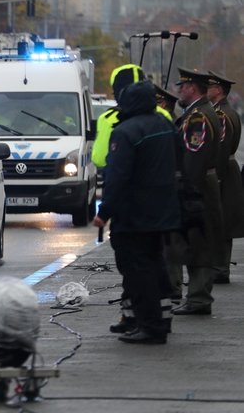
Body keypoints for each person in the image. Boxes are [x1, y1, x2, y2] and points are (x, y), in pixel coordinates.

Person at [93, 79, 180, 344]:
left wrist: (104, 212)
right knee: (156, 265)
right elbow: (181, 158)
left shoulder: (126, 132)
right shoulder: (165, 125)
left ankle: (149, 326)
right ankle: (162, 320)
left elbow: (117, 177)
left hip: (134, 215)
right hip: (163, 211)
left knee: (137, 271)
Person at [169, 67, 224, 316]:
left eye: (182, 86)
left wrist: (184, 187)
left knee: (199, 241)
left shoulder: (198, 117)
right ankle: (197, 296)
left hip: (197, 187)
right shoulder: (198, 113)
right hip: (202, 185)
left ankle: (199, 298)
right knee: (197, 240)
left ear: (192, 88)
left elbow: (194, 157)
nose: (179, 91)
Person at [206, 71, 244, 284]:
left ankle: (220, 268)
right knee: (222, 221)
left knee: (220, 221)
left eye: (210, 87)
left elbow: (221, 148)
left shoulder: (221, 115)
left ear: (219, 90)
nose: (207, 90)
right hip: (228, 169)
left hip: (224, 171)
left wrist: (216, 177)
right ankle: (220, 267)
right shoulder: (225, 112)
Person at [93, 64, 149, 168]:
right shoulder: (163, 115)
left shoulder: (108, 119)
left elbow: (99, 159)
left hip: (124, 181)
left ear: (118, 92)